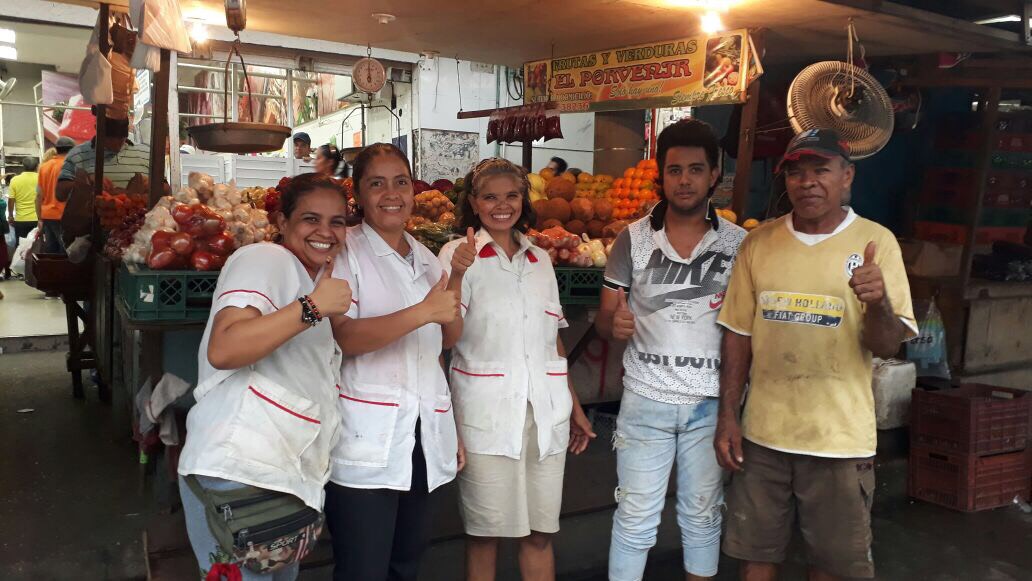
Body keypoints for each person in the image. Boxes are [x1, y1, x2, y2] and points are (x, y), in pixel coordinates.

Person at [715, 129, 917, 581]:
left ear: (847, 176)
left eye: (820, 170)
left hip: (838, 440)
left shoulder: (876, 242)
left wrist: (878, 302)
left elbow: (887, 345)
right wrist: (728, 416)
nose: (807, 182)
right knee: (756, 556)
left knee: (830, 565)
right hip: (764, 435)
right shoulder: (759, 243)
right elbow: (737, 335)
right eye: (797, 172)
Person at [177, 173, 353, 581]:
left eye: (337, 221)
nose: (325, 232)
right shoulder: (263, 259)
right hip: (239, 472)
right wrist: (312, 307)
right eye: (311, 219)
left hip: (278, 476)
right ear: (281, 222)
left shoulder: (306, 276)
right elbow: (225, 348)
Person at [595, 119, 746, 581]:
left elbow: (744, 332)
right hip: (645, 401)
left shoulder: (740, 245)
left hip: (710, 406)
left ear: (714, 174)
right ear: (661, 174)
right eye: (675, 170)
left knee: (703, 517)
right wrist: (613, 323)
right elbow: (605, 320)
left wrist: (732, 411)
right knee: (635, 519)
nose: (684, 180)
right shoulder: (633, 239)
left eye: (695, 169)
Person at [438, 158, 597, 581]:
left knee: (540, 534)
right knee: (485, 535)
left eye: (511, 195)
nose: (501, 205)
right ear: (473, 202)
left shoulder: (539, 260)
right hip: (487, 417)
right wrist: (456, 275)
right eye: (489, 196)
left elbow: (553, 342)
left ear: (523, 200)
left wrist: (574, 404)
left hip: (545, 413)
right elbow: (445, 338)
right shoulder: (458, 254)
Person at [325, 143, 462, 581]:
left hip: (423, 434)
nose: (391, 193)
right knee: (362, 569)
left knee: (406, 563)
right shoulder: (346, 254)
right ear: (359, 195)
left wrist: (449, 428)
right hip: (366, 438)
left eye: (400, 182)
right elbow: (344, 337)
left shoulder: (424, 257)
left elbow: (441, 342)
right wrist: (421, 311)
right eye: (377, 183)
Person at [56, 117, 150, 203]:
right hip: (91, 220)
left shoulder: (146, 153)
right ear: (97, 130)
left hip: (138, 219)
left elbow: (164, 190)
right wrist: (87, 182)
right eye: (111, 138)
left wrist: (151, 184)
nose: (117, 144)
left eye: (121, 138)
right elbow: (60, 193)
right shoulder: (77, 154)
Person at [36, 137, 76, 254]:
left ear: (57, 149)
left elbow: (39, 195)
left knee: (51, 253)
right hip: (65, 216)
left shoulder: (44, 167)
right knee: (66, 253)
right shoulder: (71, 166)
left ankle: (50, 272)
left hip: (47, 216)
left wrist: (40, 218)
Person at [9, 158, 40, 244]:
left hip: (20, 220)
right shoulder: (41, 178)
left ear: (23, 166)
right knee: (36, 246)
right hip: (38, 219)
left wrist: (11, 216)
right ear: (36, 166)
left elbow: (11, 200)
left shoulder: (15, 180)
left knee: (21, 247)